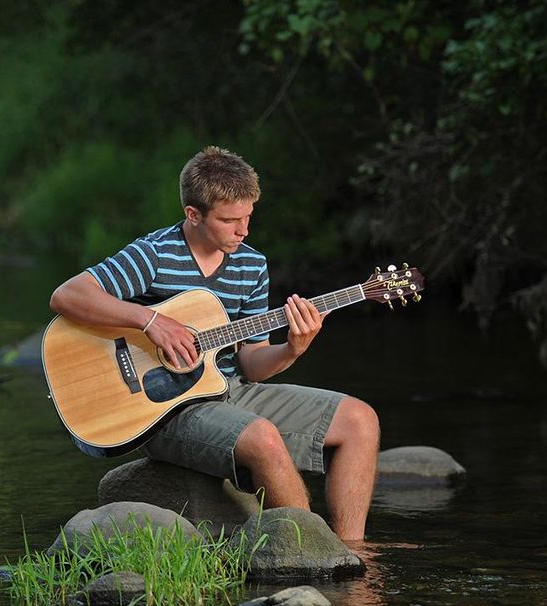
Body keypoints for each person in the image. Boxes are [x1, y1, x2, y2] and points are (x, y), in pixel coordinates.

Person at [49, 146, 380, 541]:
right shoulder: (154, 254)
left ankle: (352, 552)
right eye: (229, 220)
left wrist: (294, 348)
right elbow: (68, 296)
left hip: (228, 389)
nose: (243, 231)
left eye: (248, 217)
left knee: (360, 420)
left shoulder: (251, 264)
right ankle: (307, 552)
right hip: (164, 411)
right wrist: (151, 321)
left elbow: (253, 362)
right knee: (263, 437)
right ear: (194, 214)